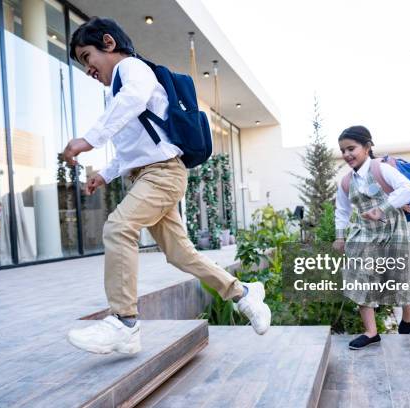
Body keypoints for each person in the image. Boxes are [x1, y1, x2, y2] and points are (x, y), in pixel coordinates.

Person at [62, 17, 270, 355]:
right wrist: (106, 173)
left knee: (118, 227)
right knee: (179, 253)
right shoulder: (120, 90)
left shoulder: (132, 70)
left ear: (109, 43)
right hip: (149, 173)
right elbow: (134, 148)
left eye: (87, 57)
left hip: (163, 174)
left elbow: (132, 100)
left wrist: (89, 139)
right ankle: (244, 293)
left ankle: (125, 323)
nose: (88, 69)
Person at [332, 126, 410, 350]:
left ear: (367, 147)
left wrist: (382, 208)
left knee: (394, 279)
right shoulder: (346, 181)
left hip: (391, 230)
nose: (347, 154)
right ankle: (371, 332)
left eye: (352, 148)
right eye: (343, 150)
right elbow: (341, 211)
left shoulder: (382, 169)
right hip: (363, 233)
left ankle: (409, 308)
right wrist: (340, 237)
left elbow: (408, 189)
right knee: (359, 278)